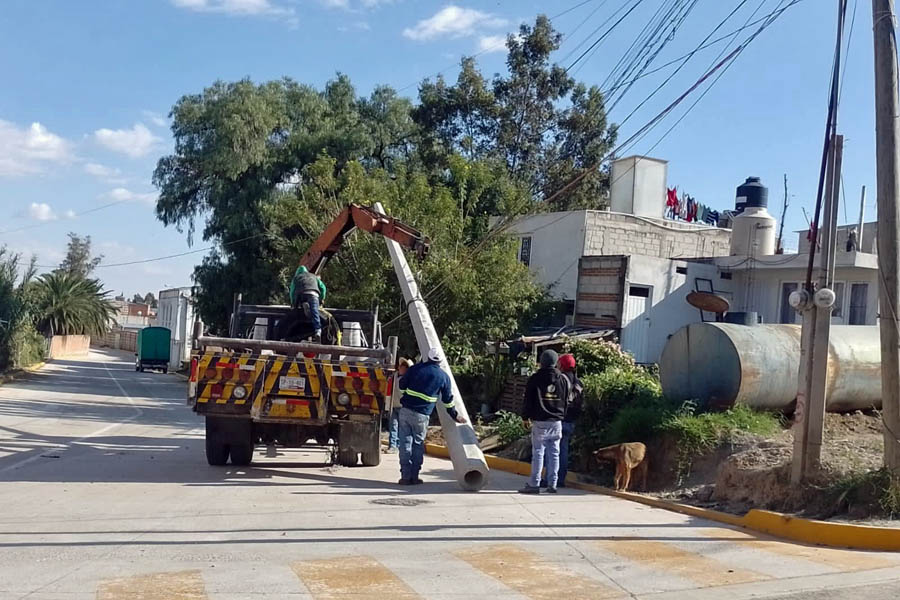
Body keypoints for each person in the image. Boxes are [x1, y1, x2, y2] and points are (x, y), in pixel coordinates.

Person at [396, 347, 467, 485]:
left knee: (405, 444)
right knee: (418, 445)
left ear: (427, 357)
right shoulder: (443, 377)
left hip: (405, 411)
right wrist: (455, 415)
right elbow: (447, 401)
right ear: (440, 360)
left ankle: (405, 477)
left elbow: (402, 386)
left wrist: (407, 394)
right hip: (422, 415)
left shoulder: (415, 369)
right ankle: (414, 477)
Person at [519, 349, 569, 495]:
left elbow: (528, 400)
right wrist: (561, 415)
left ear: (542, 361)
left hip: (540, 420)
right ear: (556, 362)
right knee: (555, 453)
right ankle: (552, 484)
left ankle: (534, 484)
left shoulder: (535, 378)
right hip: (556, 421)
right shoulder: (563, 379)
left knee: (538, 453)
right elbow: (566, 401)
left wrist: (525, 417)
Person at [556, 353, 583, 488]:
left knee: (553, 451)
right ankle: (561, 479)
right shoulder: (578, 382)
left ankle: (551, 479)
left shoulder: (560, 380)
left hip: (560, 419)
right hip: (571, 421)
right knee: (564, 450)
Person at [289, 265, 327, 340]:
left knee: (296, 310)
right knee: (315, 311)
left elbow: (292, 291)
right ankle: (318, 330)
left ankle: (304, 309)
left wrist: (293, 303)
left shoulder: (296, 278)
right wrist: (322, 298)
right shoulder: (314, 276)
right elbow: (323, 288)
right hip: (314, 294)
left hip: (301, 294)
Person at [384, 358, 411, 454]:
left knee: (402, 427)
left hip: (403, 406)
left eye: (404, 367)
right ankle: (392, 446)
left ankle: (399, 445)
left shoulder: (408, 379)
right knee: (393, 426)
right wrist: (387, 406)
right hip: (393, 405)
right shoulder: (393, 377)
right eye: (401, 366)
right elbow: (388, 391)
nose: (401, 368)